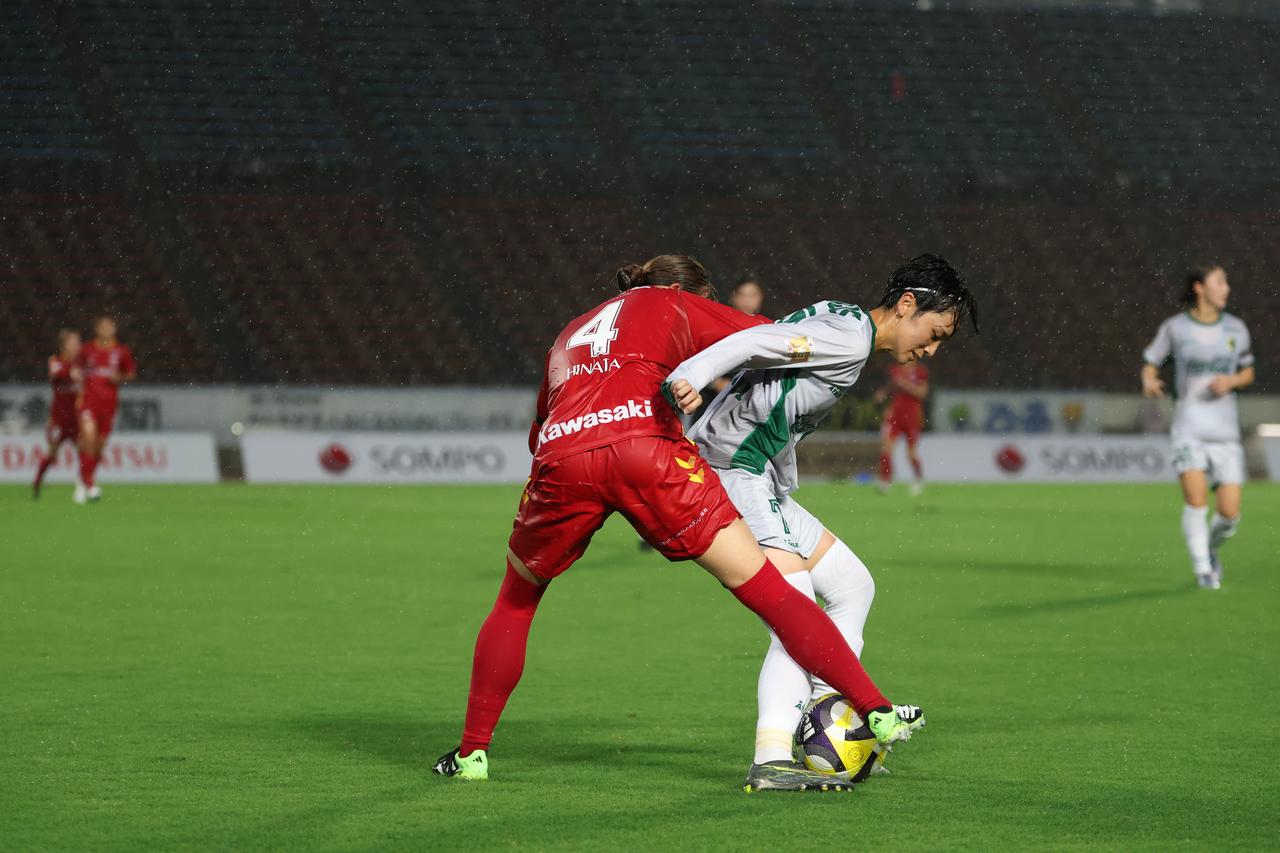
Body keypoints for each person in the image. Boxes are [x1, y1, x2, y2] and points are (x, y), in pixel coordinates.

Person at [435, 255, 920, 791]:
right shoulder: (671, 302)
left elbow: (539, 429)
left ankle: (472, 753)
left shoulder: (569, 333)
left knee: (516, 600)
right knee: (769, 591)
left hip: (563, 456)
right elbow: (767, 336)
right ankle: (874, 710)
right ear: (680, 289)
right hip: (647, 450)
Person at [665, 254, 977, 788]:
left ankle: (829, 715)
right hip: (729, 469)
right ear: (907, 305)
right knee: (796, 615)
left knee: (852, 585)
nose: (932, 349)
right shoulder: (850, 340)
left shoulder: (844, 319)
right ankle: (771, 757)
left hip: (755, 476)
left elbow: (770, 367)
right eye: (935, 333)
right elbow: (756, 342)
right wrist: (691, 375)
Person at [1141, 262, 1254, 589]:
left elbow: (1248, 371)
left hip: (1225, 433)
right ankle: (1203, 569)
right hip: (1189, 429)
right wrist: (1149, 380)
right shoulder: (1176, 328)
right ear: (1199, 287)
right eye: (1220, 281)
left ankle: (1210, 548)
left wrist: (1232, 380)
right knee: (1196, 500)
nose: (1226, 288)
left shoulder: (1236, 329)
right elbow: (1150, 362)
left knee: (1229, 515)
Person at [75, 315, 136, 504]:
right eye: (103, 326)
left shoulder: (122, 351)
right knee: (89, 440)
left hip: (109, 405)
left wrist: (120, 378)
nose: (106, 329)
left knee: (99, 446)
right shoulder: (87, 349)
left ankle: (83, 479)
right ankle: (90, 484)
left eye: (109, 326)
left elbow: (131, 373)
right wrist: (76, 376)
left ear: (114, 329)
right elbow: (75, 368)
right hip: (88, 402)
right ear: (97, 329)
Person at [32, 329, 83, 499]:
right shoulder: (55, 361)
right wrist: (71, 371)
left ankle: (83, 487)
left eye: (78, 342)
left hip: (76, 420)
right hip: (58, 420)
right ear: (64, 345)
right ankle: (37, 482)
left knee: (84, 454)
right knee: (52, 455)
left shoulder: (81, 364)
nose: (77, 345)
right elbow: (57, 374)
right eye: (74, 342)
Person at [873, 360, 930, 495]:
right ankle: (885, 481)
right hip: (896, 415)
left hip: (912, 417)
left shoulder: (920, 372)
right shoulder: (895, 369)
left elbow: (922, 393)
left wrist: (905, 385)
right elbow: (892, 387)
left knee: (911, 453)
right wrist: (883, 393)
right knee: (886, 449)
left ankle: (918, 479)